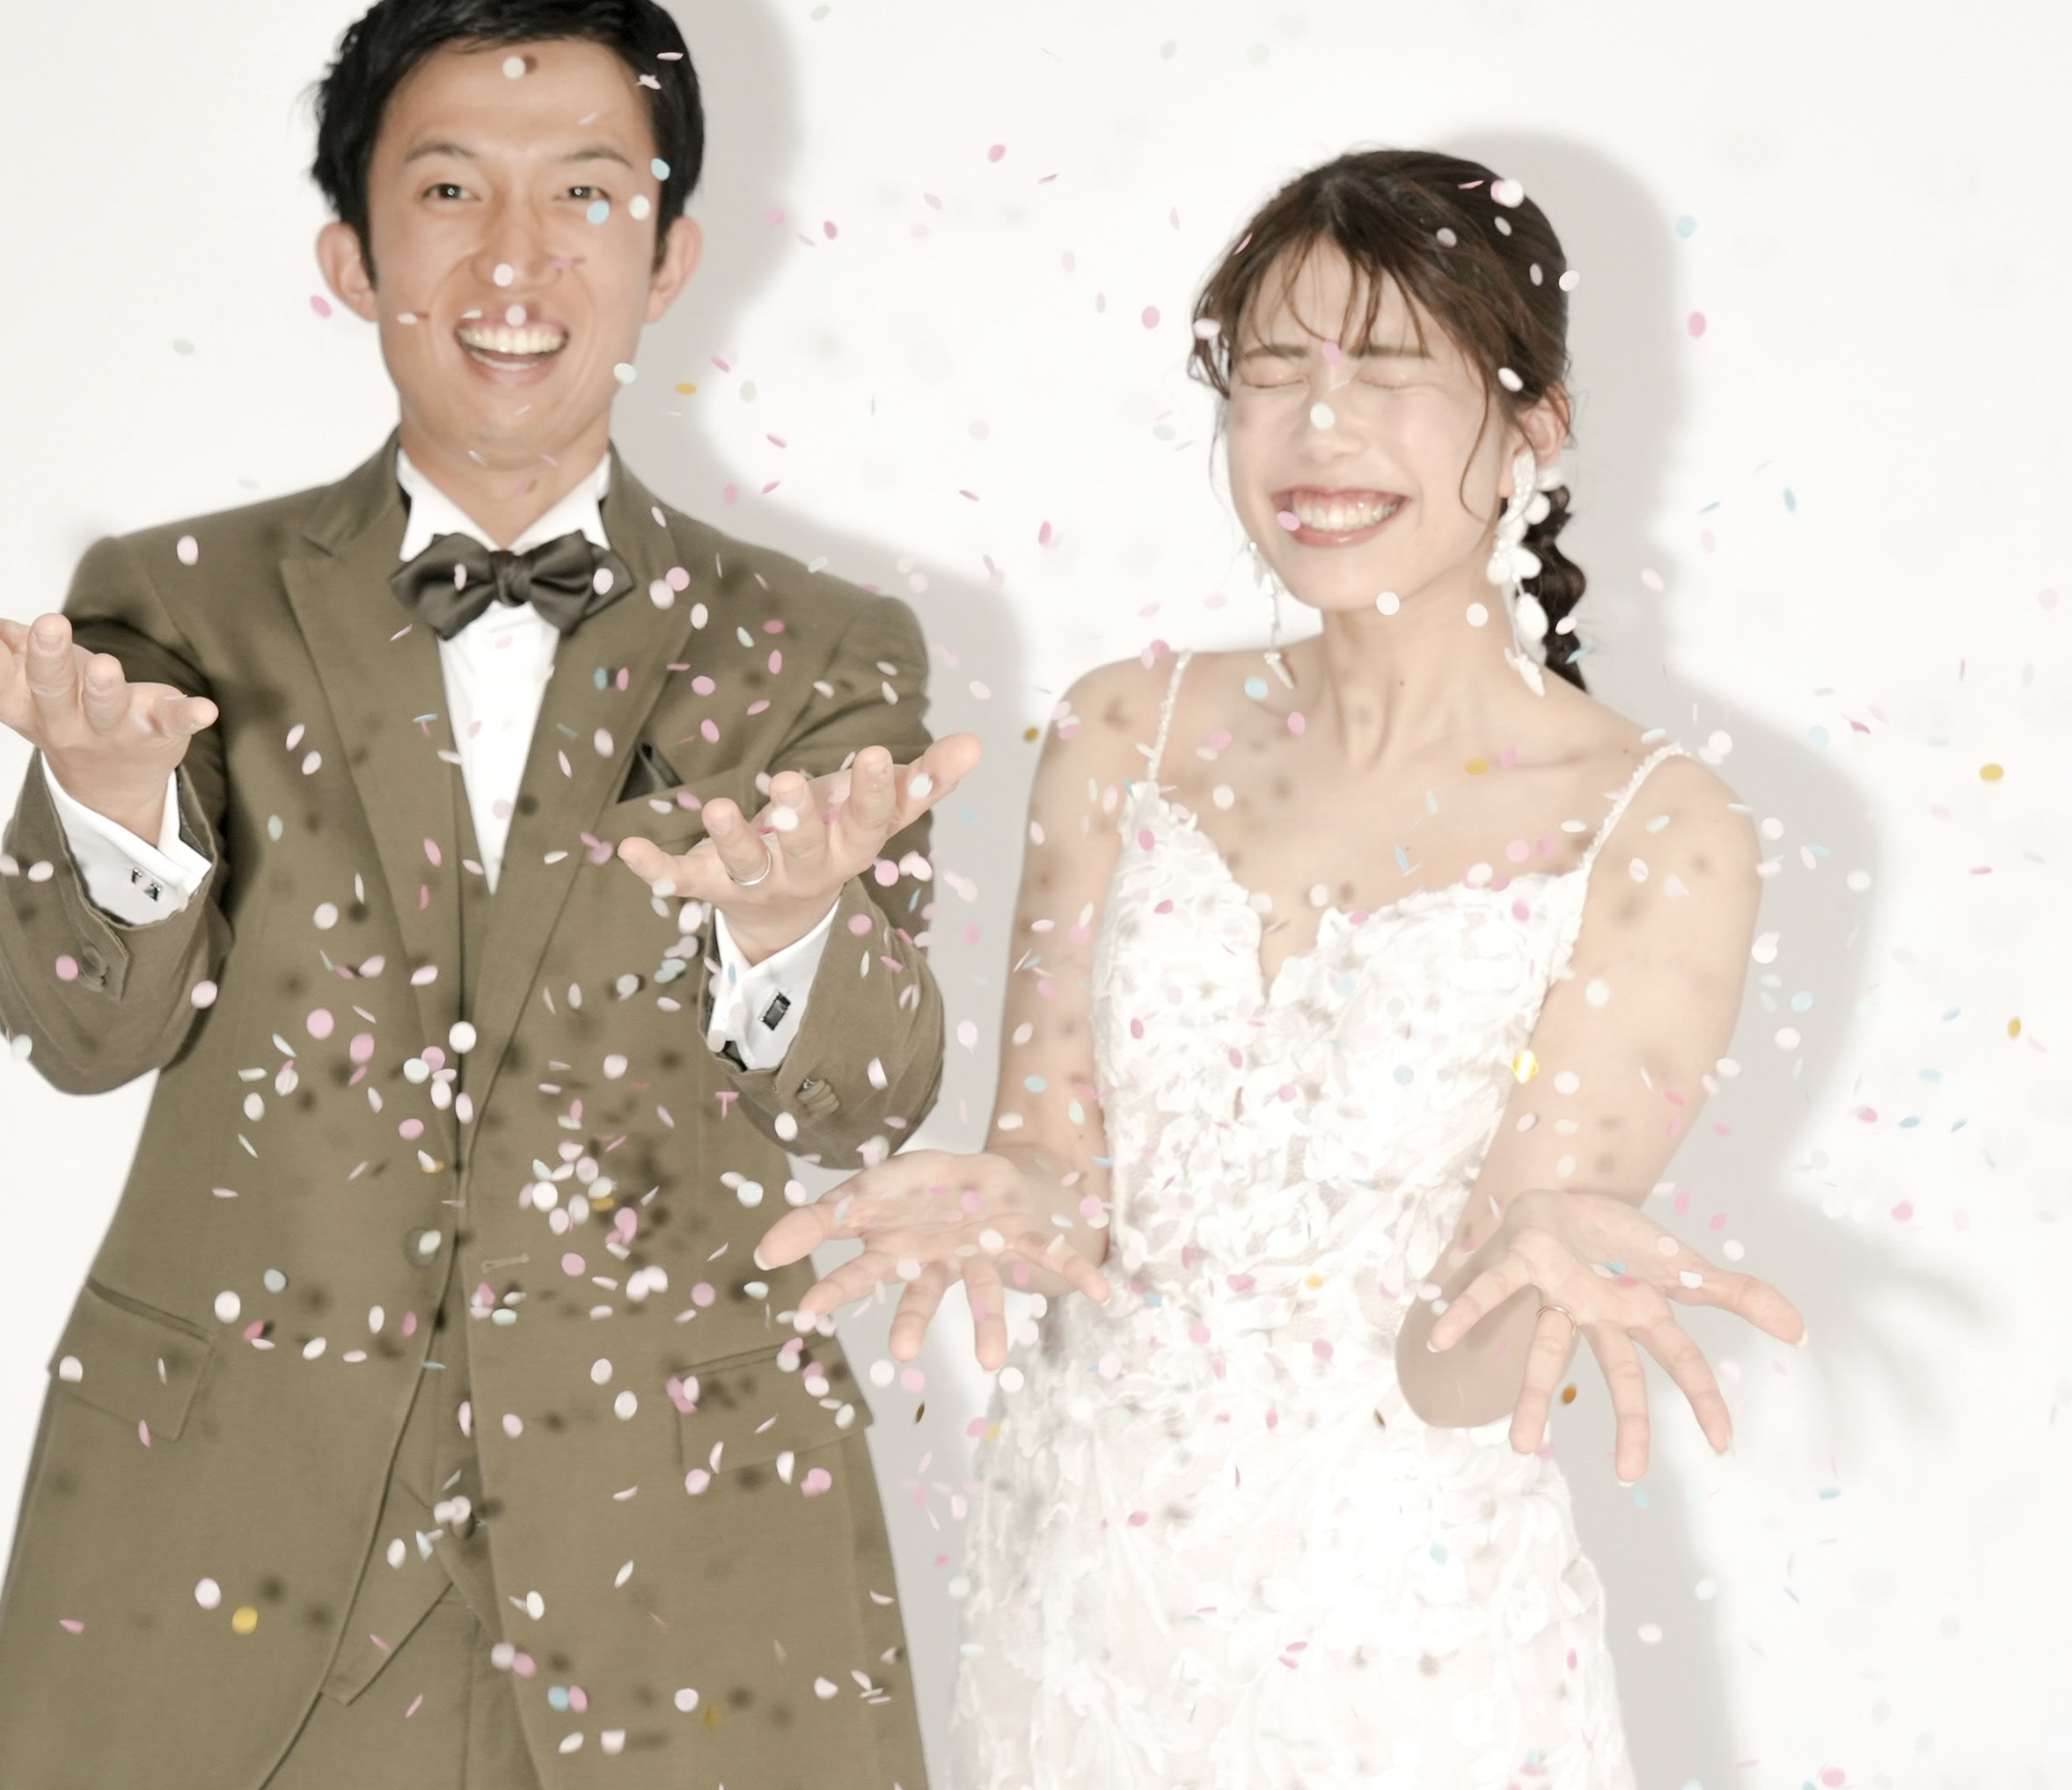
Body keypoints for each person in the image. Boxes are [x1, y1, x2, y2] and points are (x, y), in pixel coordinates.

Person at [0, 0, 978, 1790]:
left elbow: (867, 1097)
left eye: (586, 194)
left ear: (670, 257)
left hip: (687, 1553)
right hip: (232, 1538)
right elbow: (77, 1036)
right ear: (353, 257)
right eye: (450, 192)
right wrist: (112, 806)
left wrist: (794, 920)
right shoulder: (173, 603)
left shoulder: (821, 647)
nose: (516, 260)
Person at [762, 148, 1807, 1789]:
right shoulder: (1123, 727)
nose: (1321, 426)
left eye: (1388, 369)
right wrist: (1007, 1197)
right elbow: (1060, 1175)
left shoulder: (1659, 830)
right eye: (1271, 369)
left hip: (1408, 1668)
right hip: (1083, 1628)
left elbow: (1451, 1373)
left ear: (1533, 427)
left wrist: (1532, 1266)